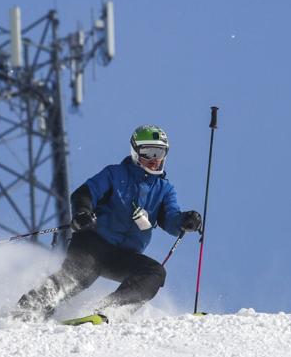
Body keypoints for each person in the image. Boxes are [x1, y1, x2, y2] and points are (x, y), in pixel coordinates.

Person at [13, 125, 202, 324]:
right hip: (93, 244)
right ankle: (27, 311)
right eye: (149, 153)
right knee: (76, 277)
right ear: (136, 153)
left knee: (155, 273)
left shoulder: (164, 189)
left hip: (122, 256)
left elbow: (171, 219)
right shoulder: (115, 174)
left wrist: (185, 221)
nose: (155, 159)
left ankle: (109, 310)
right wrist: (83, 212)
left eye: (160, 153)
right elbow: (85, 193)